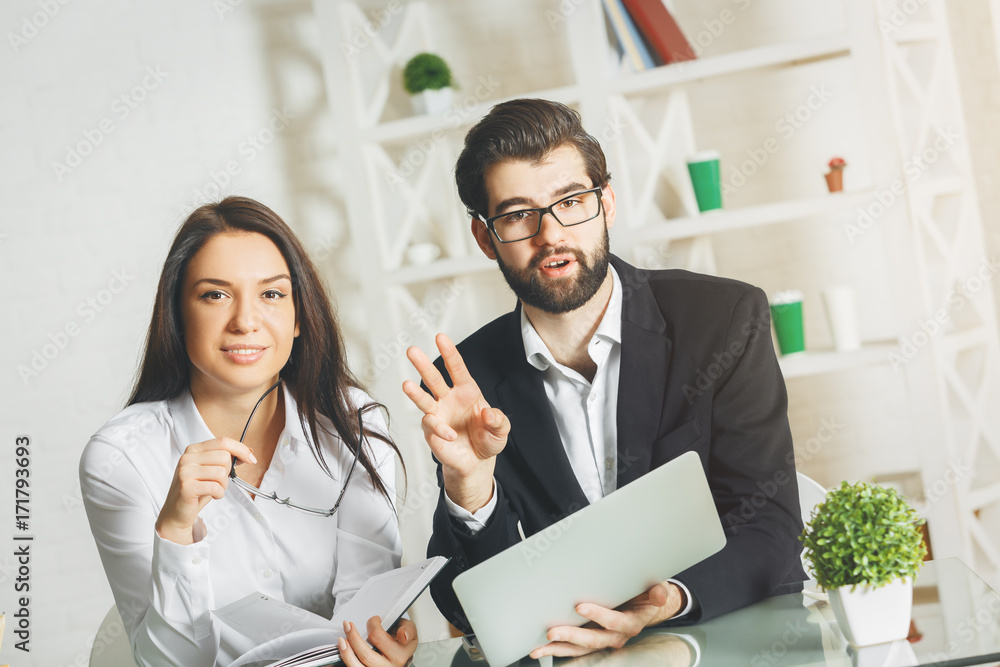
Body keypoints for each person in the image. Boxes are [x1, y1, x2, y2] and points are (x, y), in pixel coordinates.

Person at [402, 99, 806, 659]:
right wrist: (470, 487)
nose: (551, 234)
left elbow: (772, 527)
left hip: (734, 645)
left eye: (571, 201)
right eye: (518, 214)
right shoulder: (465, 380)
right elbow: (463, 607)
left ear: (606, 203)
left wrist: (667, 600)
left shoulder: (723, 319)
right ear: (484, 237)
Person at [80, 197, 417, 667]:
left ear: (299, 317)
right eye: (215, 295)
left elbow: (363, 616)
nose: (245, 321)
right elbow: (167, 662)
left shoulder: (354, 423)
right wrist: (176, 530)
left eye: (272, 294)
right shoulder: (122, 456)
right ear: (178, 316)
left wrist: (378, 648)